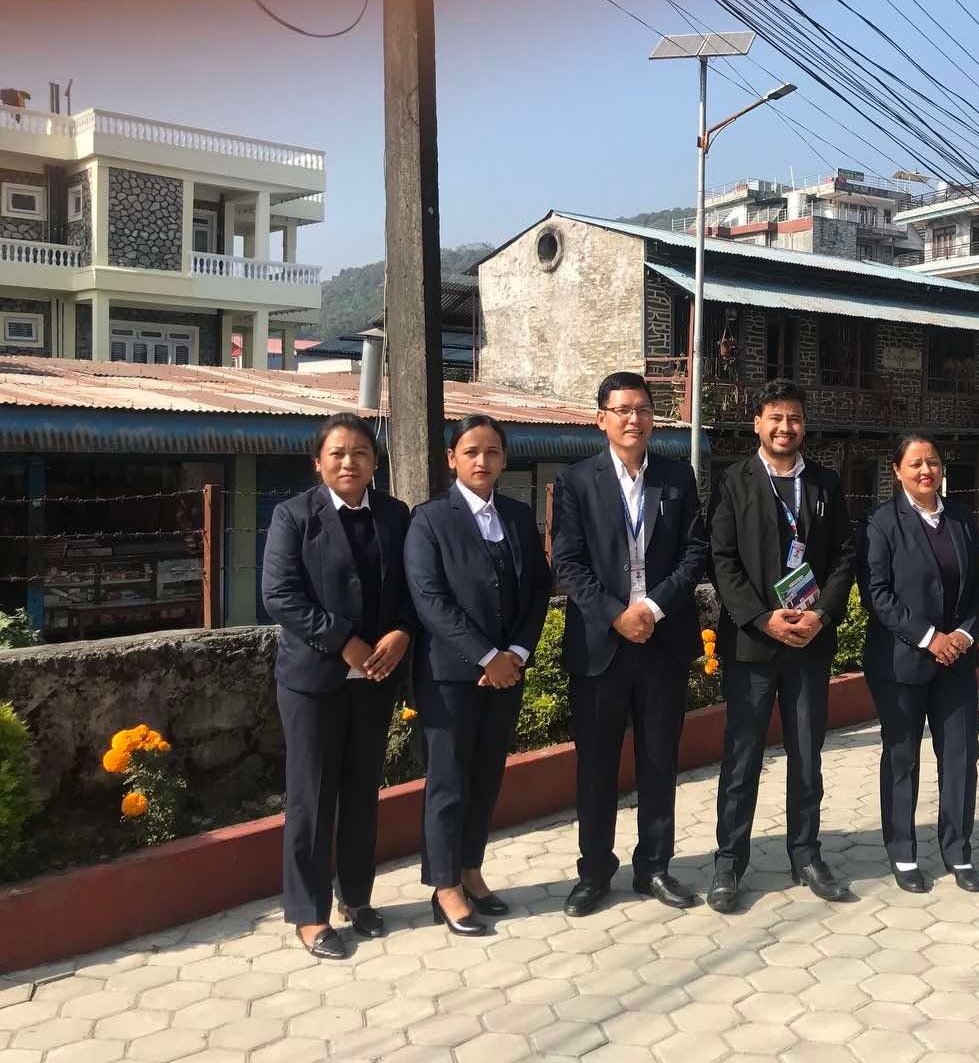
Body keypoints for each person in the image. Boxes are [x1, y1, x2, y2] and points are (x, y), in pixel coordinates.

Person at [551, 371, 710, 918]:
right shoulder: (575, 481)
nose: (633, 419)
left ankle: (654, 867)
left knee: (659, 761)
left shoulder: (677, 476)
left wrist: (653, 608)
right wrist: (616, 615)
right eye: (622, 409)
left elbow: (694, 553)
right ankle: (594, 872)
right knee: (596, 765)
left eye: (642, 409)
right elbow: (568, 562)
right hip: (602, 643)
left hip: (663, 641)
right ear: (602, 419)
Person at [262, 412, 416, 959]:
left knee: (361, 790)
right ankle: (309, 914)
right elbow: (279, 595)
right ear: (318, 462)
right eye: (338, 453)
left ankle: (357, 897)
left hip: (375, 677)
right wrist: (343, 640)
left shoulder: (395, 515)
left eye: (360, 453)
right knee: (312, 795)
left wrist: (402, 631)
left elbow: (412, 585)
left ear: (375, 462)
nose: (349, 462)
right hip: (314, 680)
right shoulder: (293, 516)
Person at [705, 379, 857, 913]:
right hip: (752, 644)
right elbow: (720, 559)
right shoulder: (732, 482)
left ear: (803, 425)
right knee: (741, 757)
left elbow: (844, 555)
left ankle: (806, 854)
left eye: (793, 418)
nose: (784, 427)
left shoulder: (824, 483)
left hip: (809, 643)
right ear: (758, 424)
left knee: (807, 755)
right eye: (775, 417)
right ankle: (729, 863)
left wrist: (822, 614)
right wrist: (761, 617)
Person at [405, 414, 553, 935]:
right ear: (452, 459)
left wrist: (516, 652)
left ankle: (471, 869)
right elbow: (429, 598)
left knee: (487, 775)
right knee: (448, 781)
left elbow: (538, 588)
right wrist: (486, 656)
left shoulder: (517, 516)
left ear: (504, 459)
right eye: (471, 452)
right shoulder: (429, 519)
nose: (482, 461)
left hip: (507, 672)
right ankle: (444, 885)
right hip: (450, 676)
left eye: (492, 452)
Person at [858, 433, 979, 894]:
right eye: (915, 463)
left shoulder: (960, 518)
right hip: (901, 663)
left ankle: (958, 851)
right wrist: (929, 637)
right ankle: (903, 851)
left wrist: (963, 634)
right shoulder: (880, 523)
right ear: (897, 470)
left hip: (956, 659)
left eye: (932, 462)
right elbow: (877, 594)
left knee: (960, 756)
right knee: (902, 757)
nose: (925, 471)